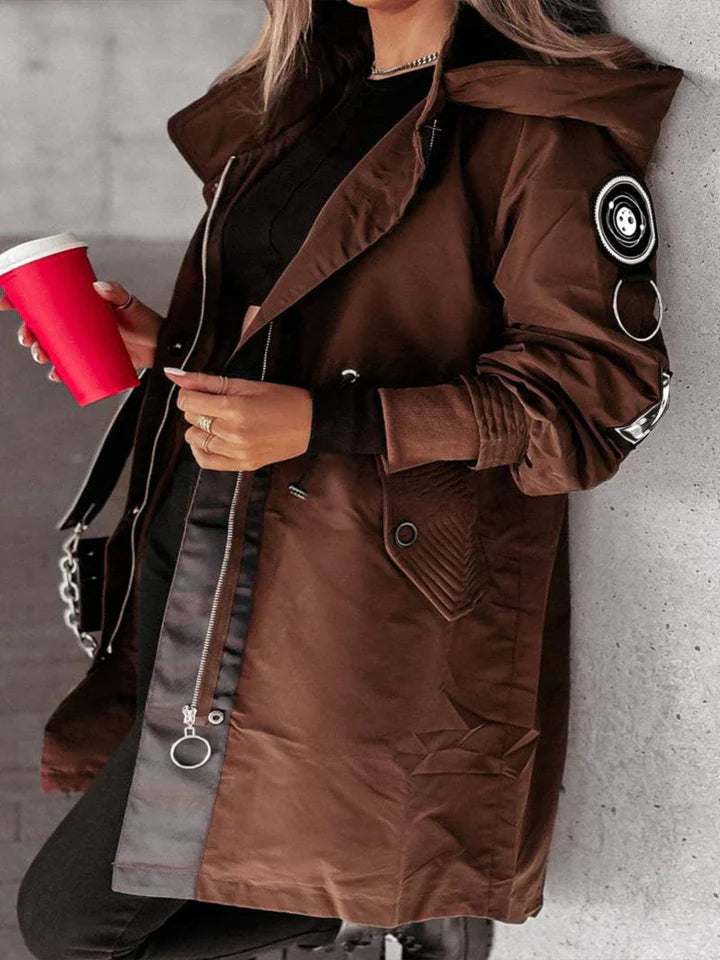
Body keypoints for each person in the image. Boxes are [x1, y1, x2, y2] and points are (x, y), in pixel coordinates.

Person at [9, 0, 683, 958]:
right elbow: (301, 333)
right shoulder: (299, 107)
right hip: (198, 563)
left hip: (342, 601)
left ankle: (388, 895)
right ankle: (375, 899)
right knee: (153, 876)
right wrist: (174, 347)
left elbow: (594, 394)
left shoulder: (537, 126)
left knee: (73, 923)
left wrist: (330, 421)